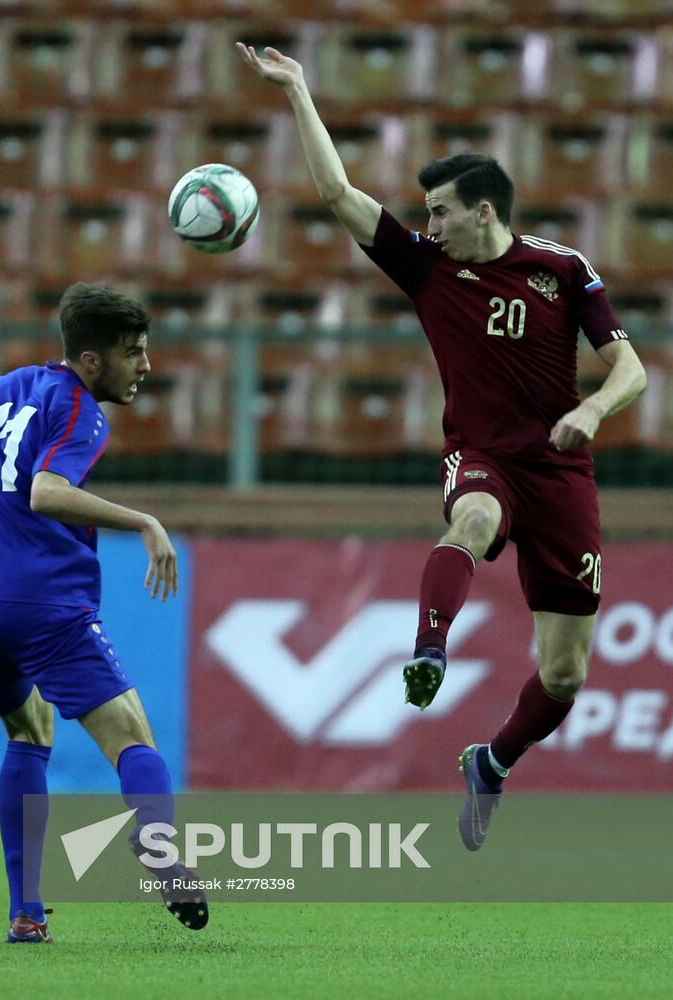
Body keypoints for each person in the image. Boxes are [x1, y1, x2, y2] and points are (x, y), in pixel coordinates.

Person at [237, 43, 647, 850]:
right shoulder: (427, 271)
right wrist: (296, 92)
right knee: (470, 518)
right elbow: (337, 193)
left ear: (483, 211)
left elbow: (630, 367)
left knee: (564, 675)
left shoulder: (561, 271)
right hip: (482, 454)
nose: (428, 227)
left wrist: (594, 412)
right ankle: (430, 650)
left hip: (560, 469)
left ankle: (490, 762)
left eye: (439, 213)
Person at [0, 282, 208, 939]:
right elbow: (46, 492)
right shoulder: (79, 409)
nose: (146, 366)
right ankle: (157, 845)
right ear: (91, 361)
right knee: (131, 738)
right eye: (133, 353)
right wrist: (144, 522)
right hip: (38, 601)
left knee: (28, 731)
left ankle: (26, 914)